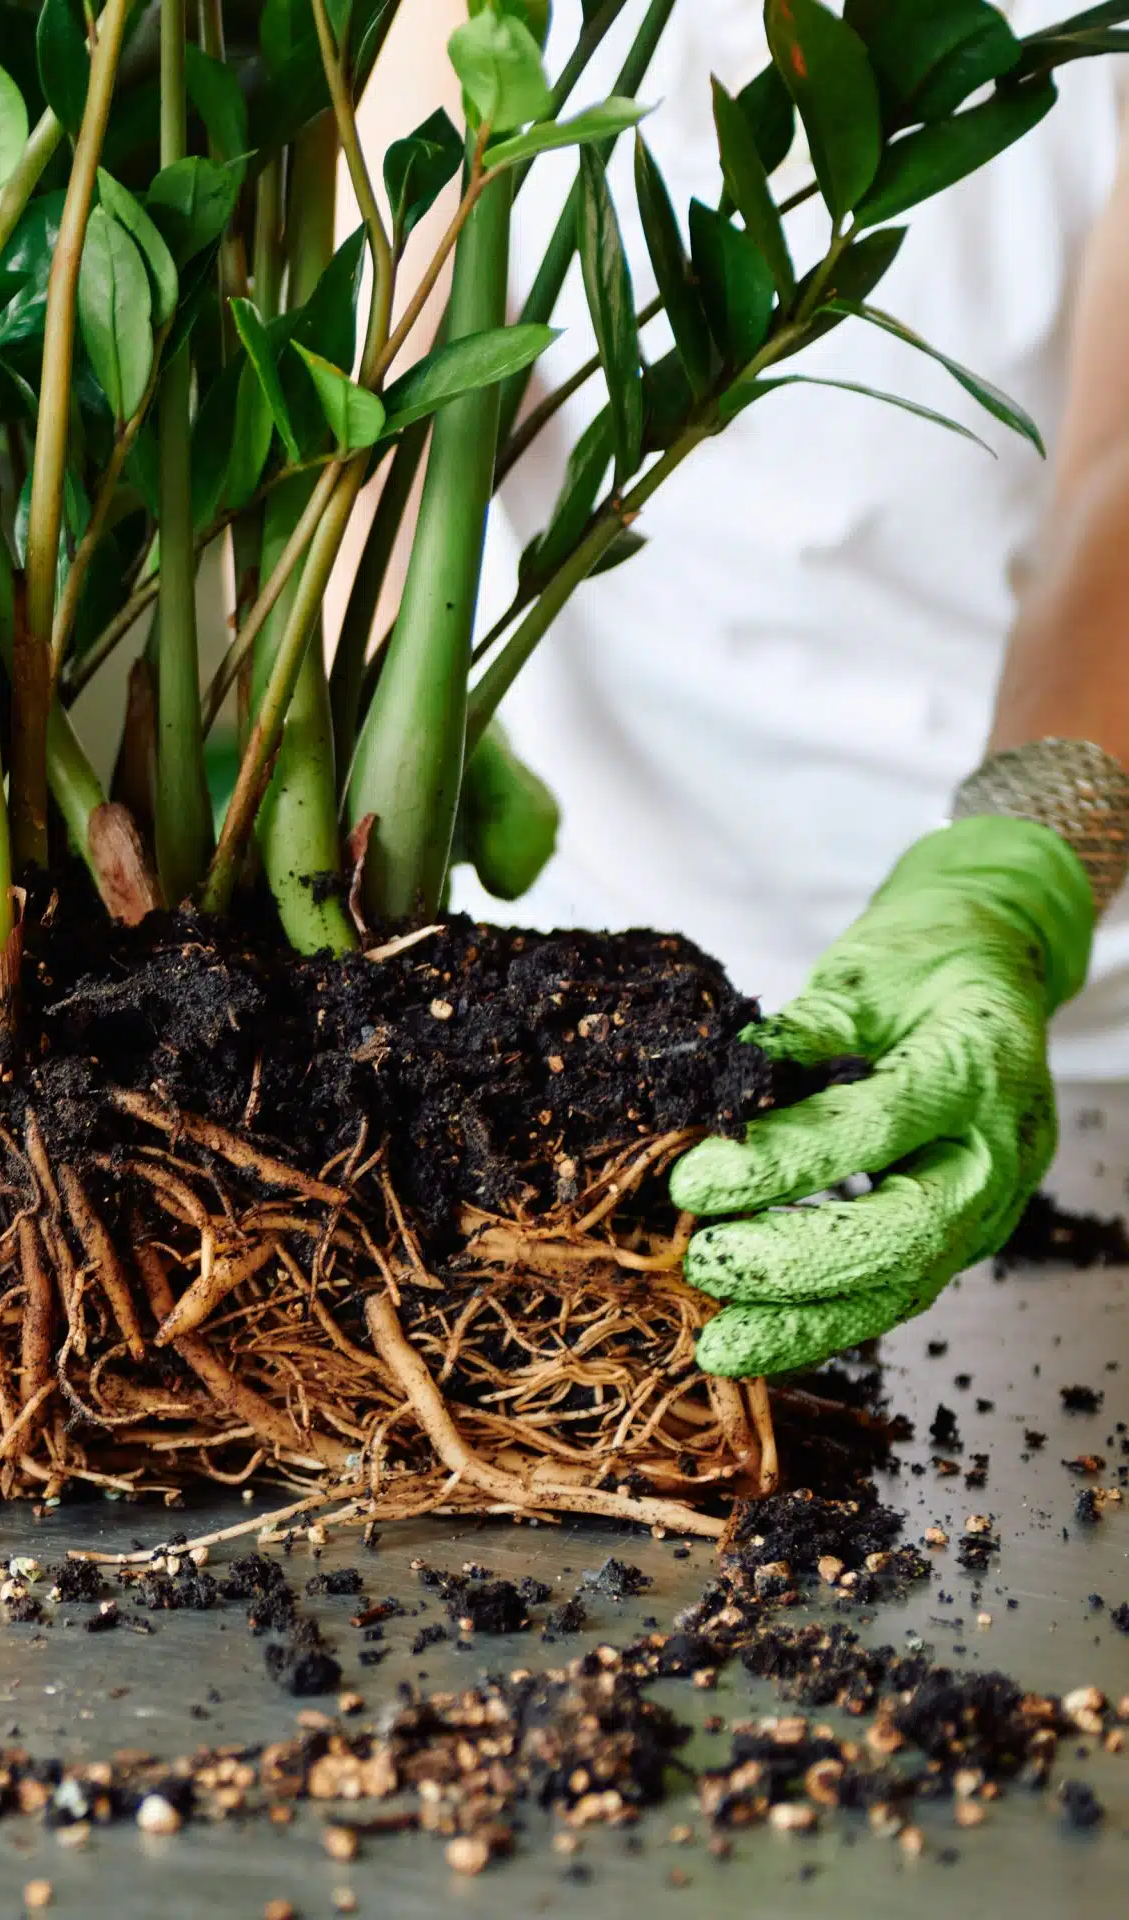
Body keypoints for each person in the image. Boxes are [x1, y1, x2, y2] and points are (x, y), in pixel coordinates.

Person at [348, 1, 1129, 1375]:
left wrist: (1011, 884)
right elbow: (376, 439)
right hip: (577, 1007)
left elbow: (1120, 489)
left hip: (1050, 1021)